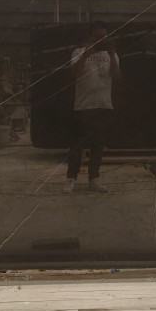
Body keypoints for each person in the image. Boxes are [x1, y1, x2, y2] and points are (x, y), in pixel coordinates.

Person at [63, 21, 120, 194]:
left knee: (98, 145)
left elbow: (116, 76)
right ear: (90, 37)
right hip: (83, 105)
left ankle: (94, 179)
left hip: (103, 104)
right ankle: (71, 179)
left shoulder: (112, 54)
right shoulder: (78, 52)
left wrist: (112, 55)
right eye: (97, 37)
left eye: (104, 37)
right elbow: (73, 72)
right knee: (76, 145)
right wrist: (87, 53)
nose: (101, 40)